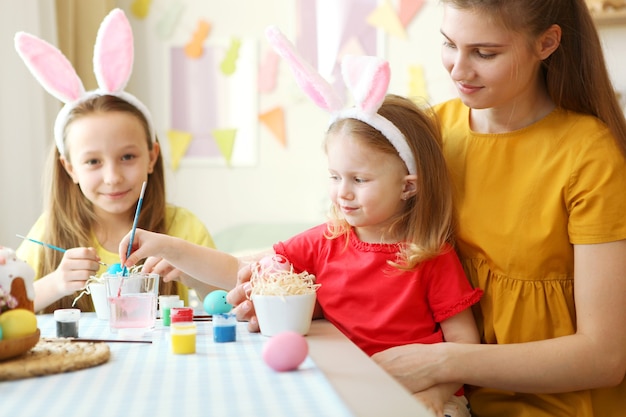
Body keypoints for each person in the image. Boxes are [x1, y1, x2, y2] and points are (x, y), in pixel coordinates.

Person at [120, 64, 484, 414]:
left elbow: (464, 346)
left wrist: (436, 395)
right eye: (334, 177)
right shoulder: (324, 242)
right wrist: (167, 245)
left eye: (359, 180)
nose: (343, 193)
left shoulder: (431, 256)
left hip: (423, 395)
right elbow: (238, 269)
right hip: (343, 389)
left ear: (407, 187)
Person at [367, 1, 626, 416]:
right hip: (451, 396)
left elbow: (604, 357)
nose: (458, 69)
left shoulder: (589, 156)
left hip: (554, 404)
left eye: (485, 53)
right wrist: (274, 275)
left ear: (546, 43)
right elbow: (363, 241)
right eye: (450, 44)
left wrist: (443, 362)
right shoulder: (434, 132)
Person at [14, 9, 220, 314]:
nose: (112, 177)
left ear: (151, 157)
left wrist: (194, 273)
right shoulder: (48, 233)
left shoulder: (183, 229)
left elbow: (229, 301)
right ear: (70, 168)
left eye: (127, 157)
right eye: (93, 162)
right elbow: (9, 307)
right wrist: (56, 283)